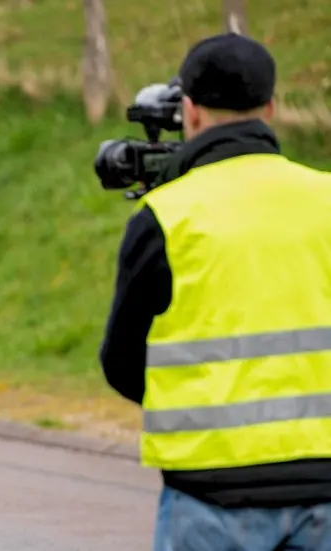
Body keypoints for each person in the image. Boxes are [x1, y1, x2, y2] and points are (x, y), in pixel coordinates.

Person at [100, 32, 331, 550]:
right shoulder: (327, 199)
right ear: (271, 106)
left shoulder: (167, 216)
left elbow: (120, 360)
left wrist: (197, 408)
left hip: (210, 492)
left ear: (190, 111)